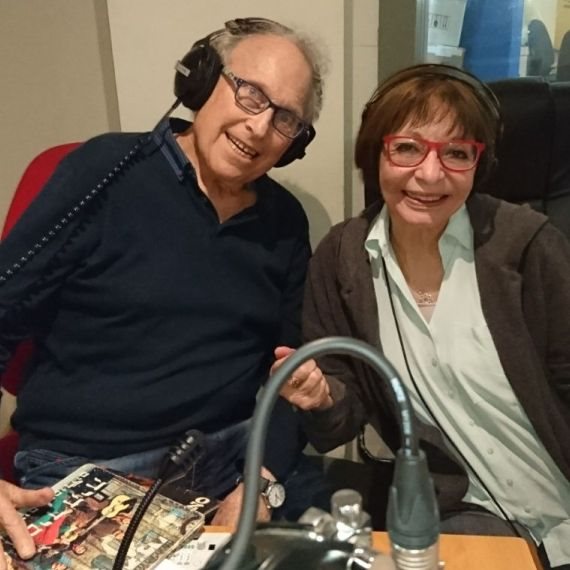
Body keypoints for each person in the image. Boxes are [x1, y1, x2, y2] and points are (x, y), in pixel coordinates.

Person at [0, 16, 329, 566]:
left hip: (234, 455)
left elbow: (289, 374)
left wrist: (262, 479)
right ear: (201, 81)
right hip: (92, 469)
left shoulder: (284, 222)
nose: (258, 127)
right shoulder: (103, 170)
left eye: (285, 118)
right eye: (250, 93)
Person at [273, 64, 570, 570]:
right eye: (407, 148)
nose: (430, 175)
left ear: (479, 164)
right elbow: (341, 416)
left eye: (456, 153)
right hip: (468, 514)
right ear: (376, 154)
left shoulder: (528, 246)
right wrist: (321, 397)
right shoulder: (343, 259)